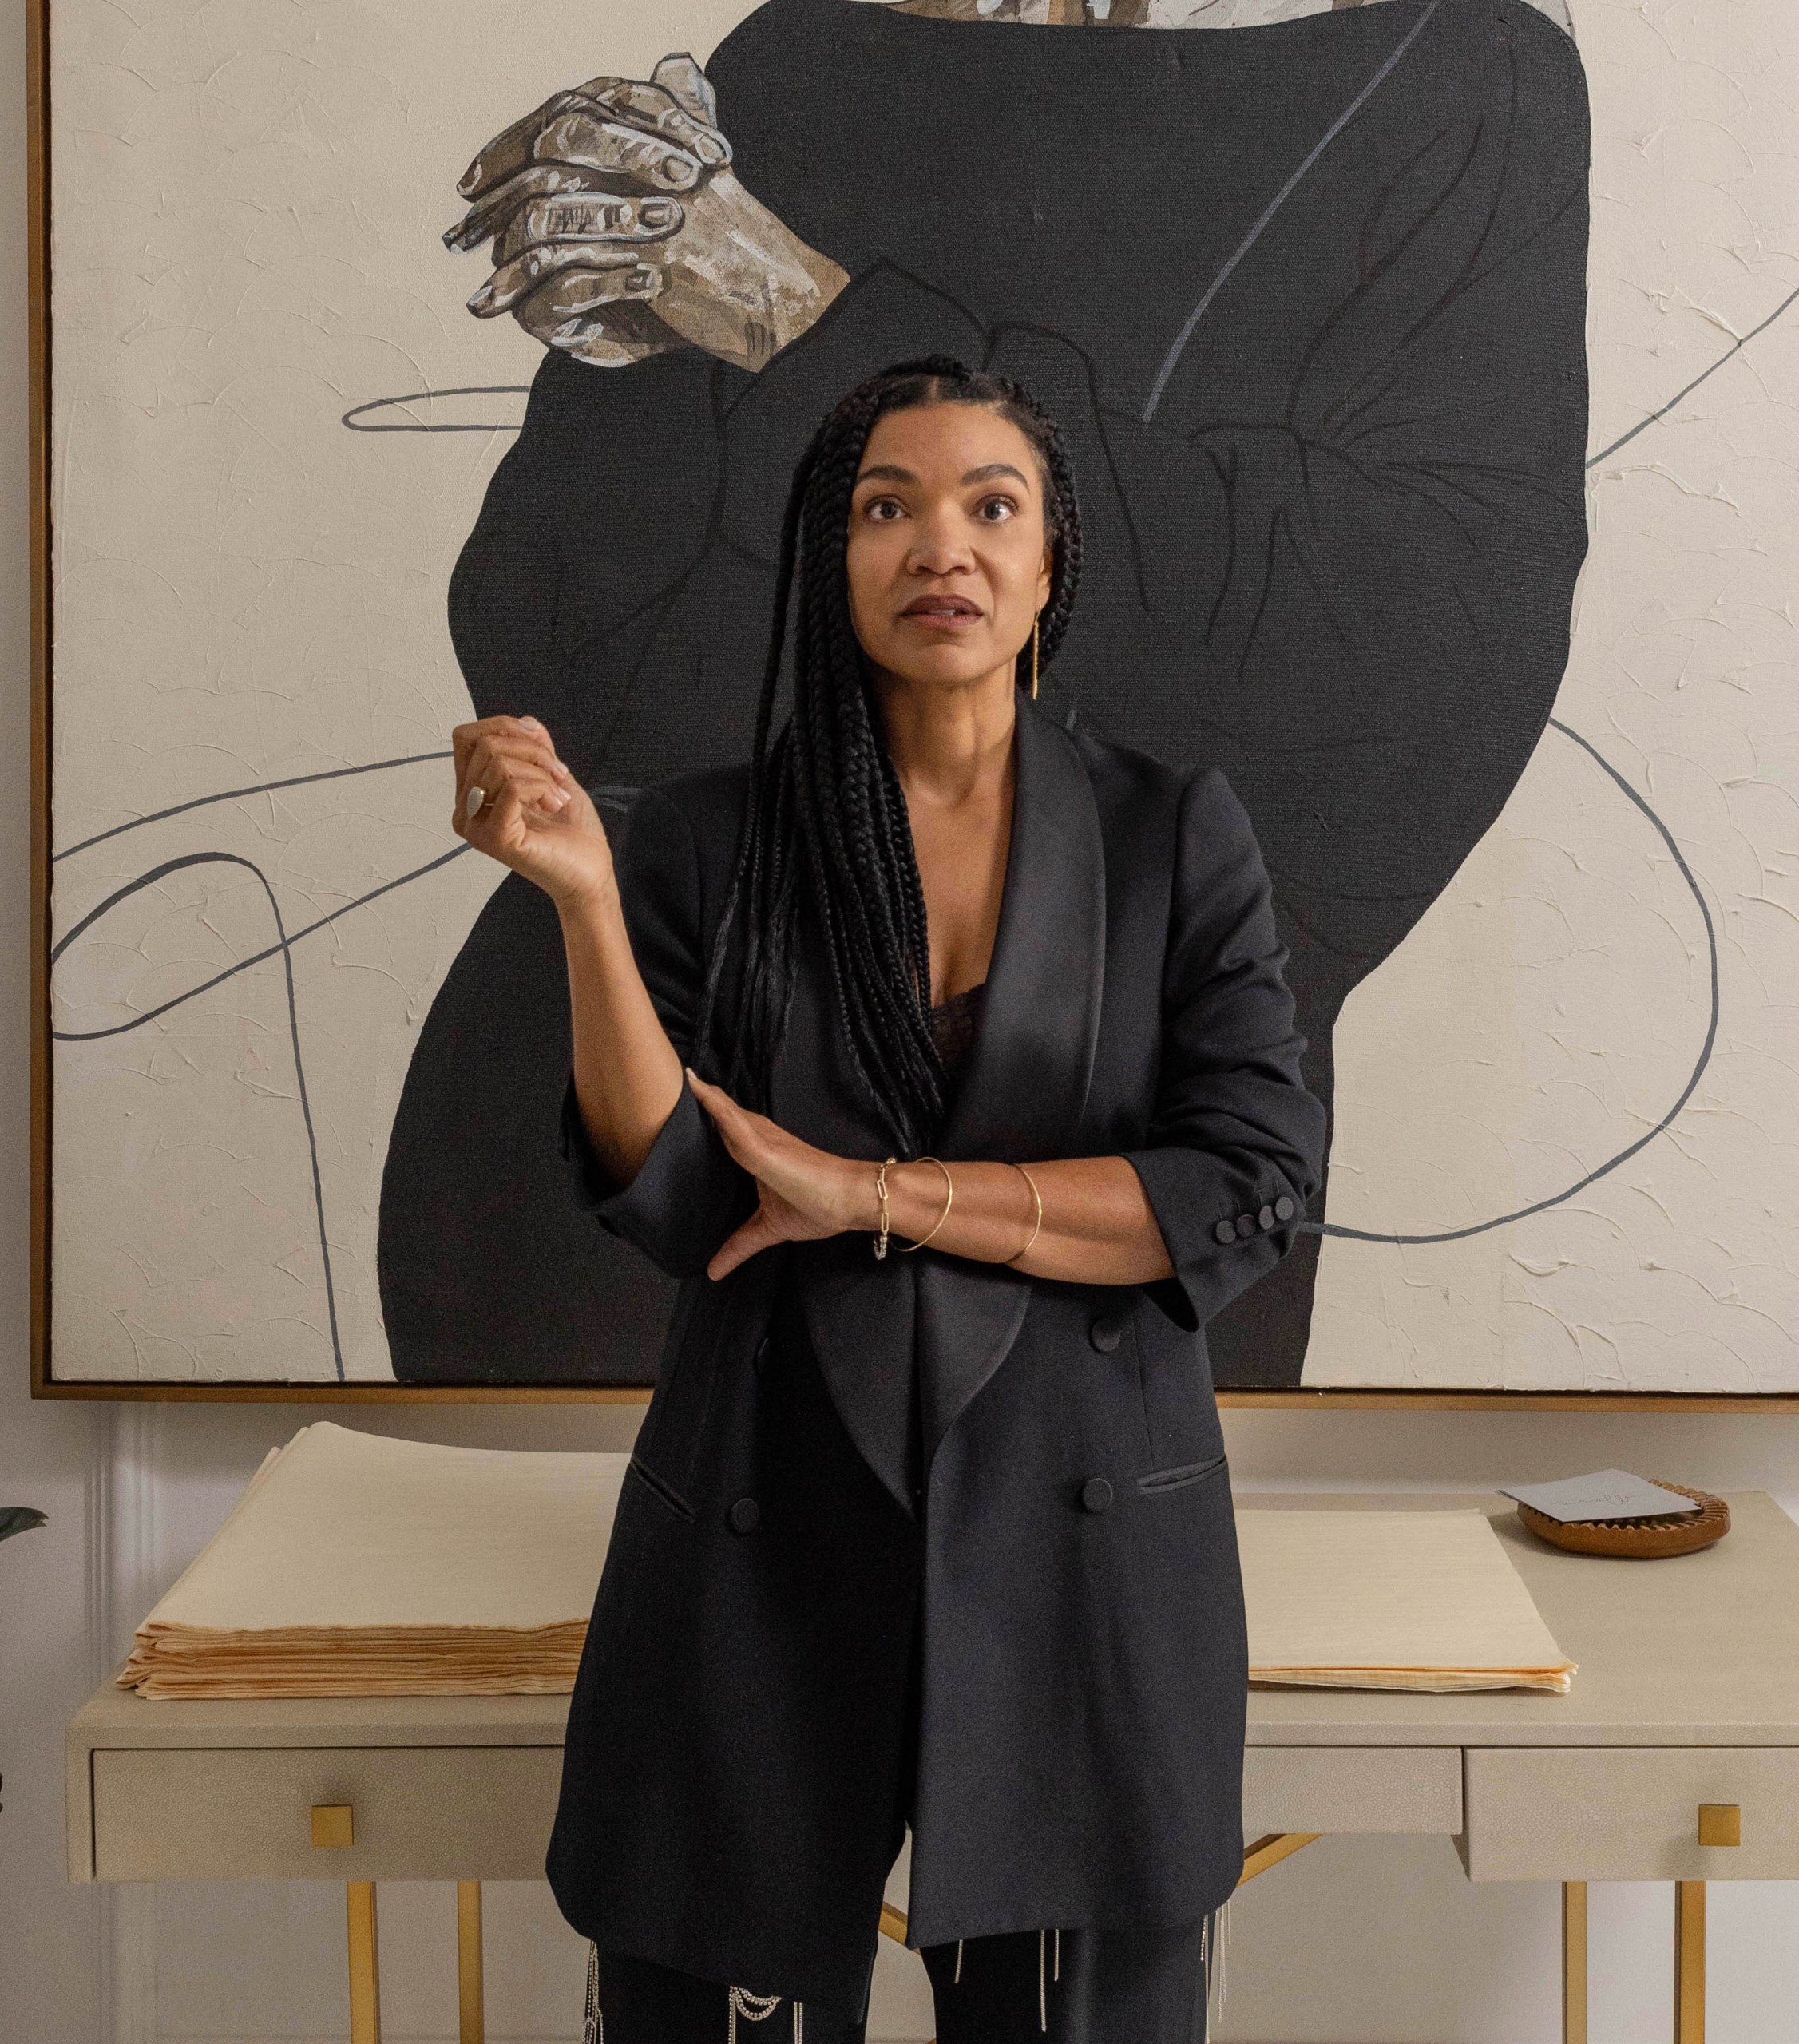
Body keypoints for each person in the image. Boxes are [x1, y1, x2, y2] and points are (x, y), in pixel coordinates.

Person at [380, 0, 1590, 1389]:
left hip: (1090, 1188)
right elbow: (550, 645)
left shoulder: (1447, 72)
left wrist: (800, 323)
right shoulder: (799, 56)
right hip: (622, 1154)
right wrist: (632, 360)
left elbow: (1412, 652)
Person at [448, 358, 1328, 2044]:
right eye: (886, 505)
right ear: (829, 557)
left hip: (1083, 1558)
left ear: (1050, 559)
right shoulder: (712, 842)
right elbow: (680, 1198)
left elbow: (1247, 1184)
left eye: (992, 503)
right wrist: (583, 906)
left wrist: (877, 1192)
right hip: (760, 1528)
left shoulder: (1171, 837)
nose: (945, 543)